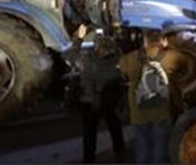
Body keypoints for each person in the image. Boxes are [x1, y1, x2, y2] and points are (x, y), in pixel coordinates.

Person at [70, 24, 126, 163]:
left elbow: (72, 57)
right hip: (109, 100)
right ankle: (120, 151)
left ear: (96, 48)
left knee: (89, 132)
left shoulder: (87, 61)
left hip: (89, 101)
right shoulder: (118, 62)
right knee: (114, 125)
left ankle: (89, 158)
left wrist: (79, 39)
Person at [119, 29, 172, 163]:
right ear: (162, 40)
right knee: (160, 147)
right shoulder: (170, 56)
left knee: (142, 146)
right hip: (162, 110)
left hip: (138, 111)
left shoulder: (129, 58)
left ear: (144, 40)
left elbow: (122, 74)